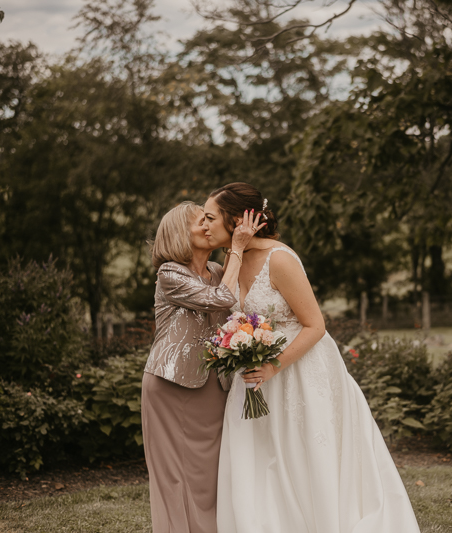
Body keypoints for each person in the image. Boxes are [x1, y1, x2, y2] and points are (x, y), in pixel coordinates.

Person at [203, 183, 421, 533]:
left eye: (210, 217)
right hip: (253, 376)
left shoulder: (280, 259)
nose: (203, 224)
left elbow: (316, 325)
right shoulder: (230, 260)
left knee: (301, 457)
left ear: (236, 220)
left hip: (299, 371)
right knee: (258, 458)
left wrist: (273, 366)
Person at [142, 201, 264, 533]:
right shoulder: (169, 273)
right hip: (170, 385)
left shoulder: (218, 270)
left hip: (214, 385)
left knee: (211, 473)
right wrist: (236, 248)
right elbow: (219, 300)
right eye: (202, 221)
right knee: (176, 478)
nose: (209, 226)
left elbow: (238, 307)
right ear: (182, 233)